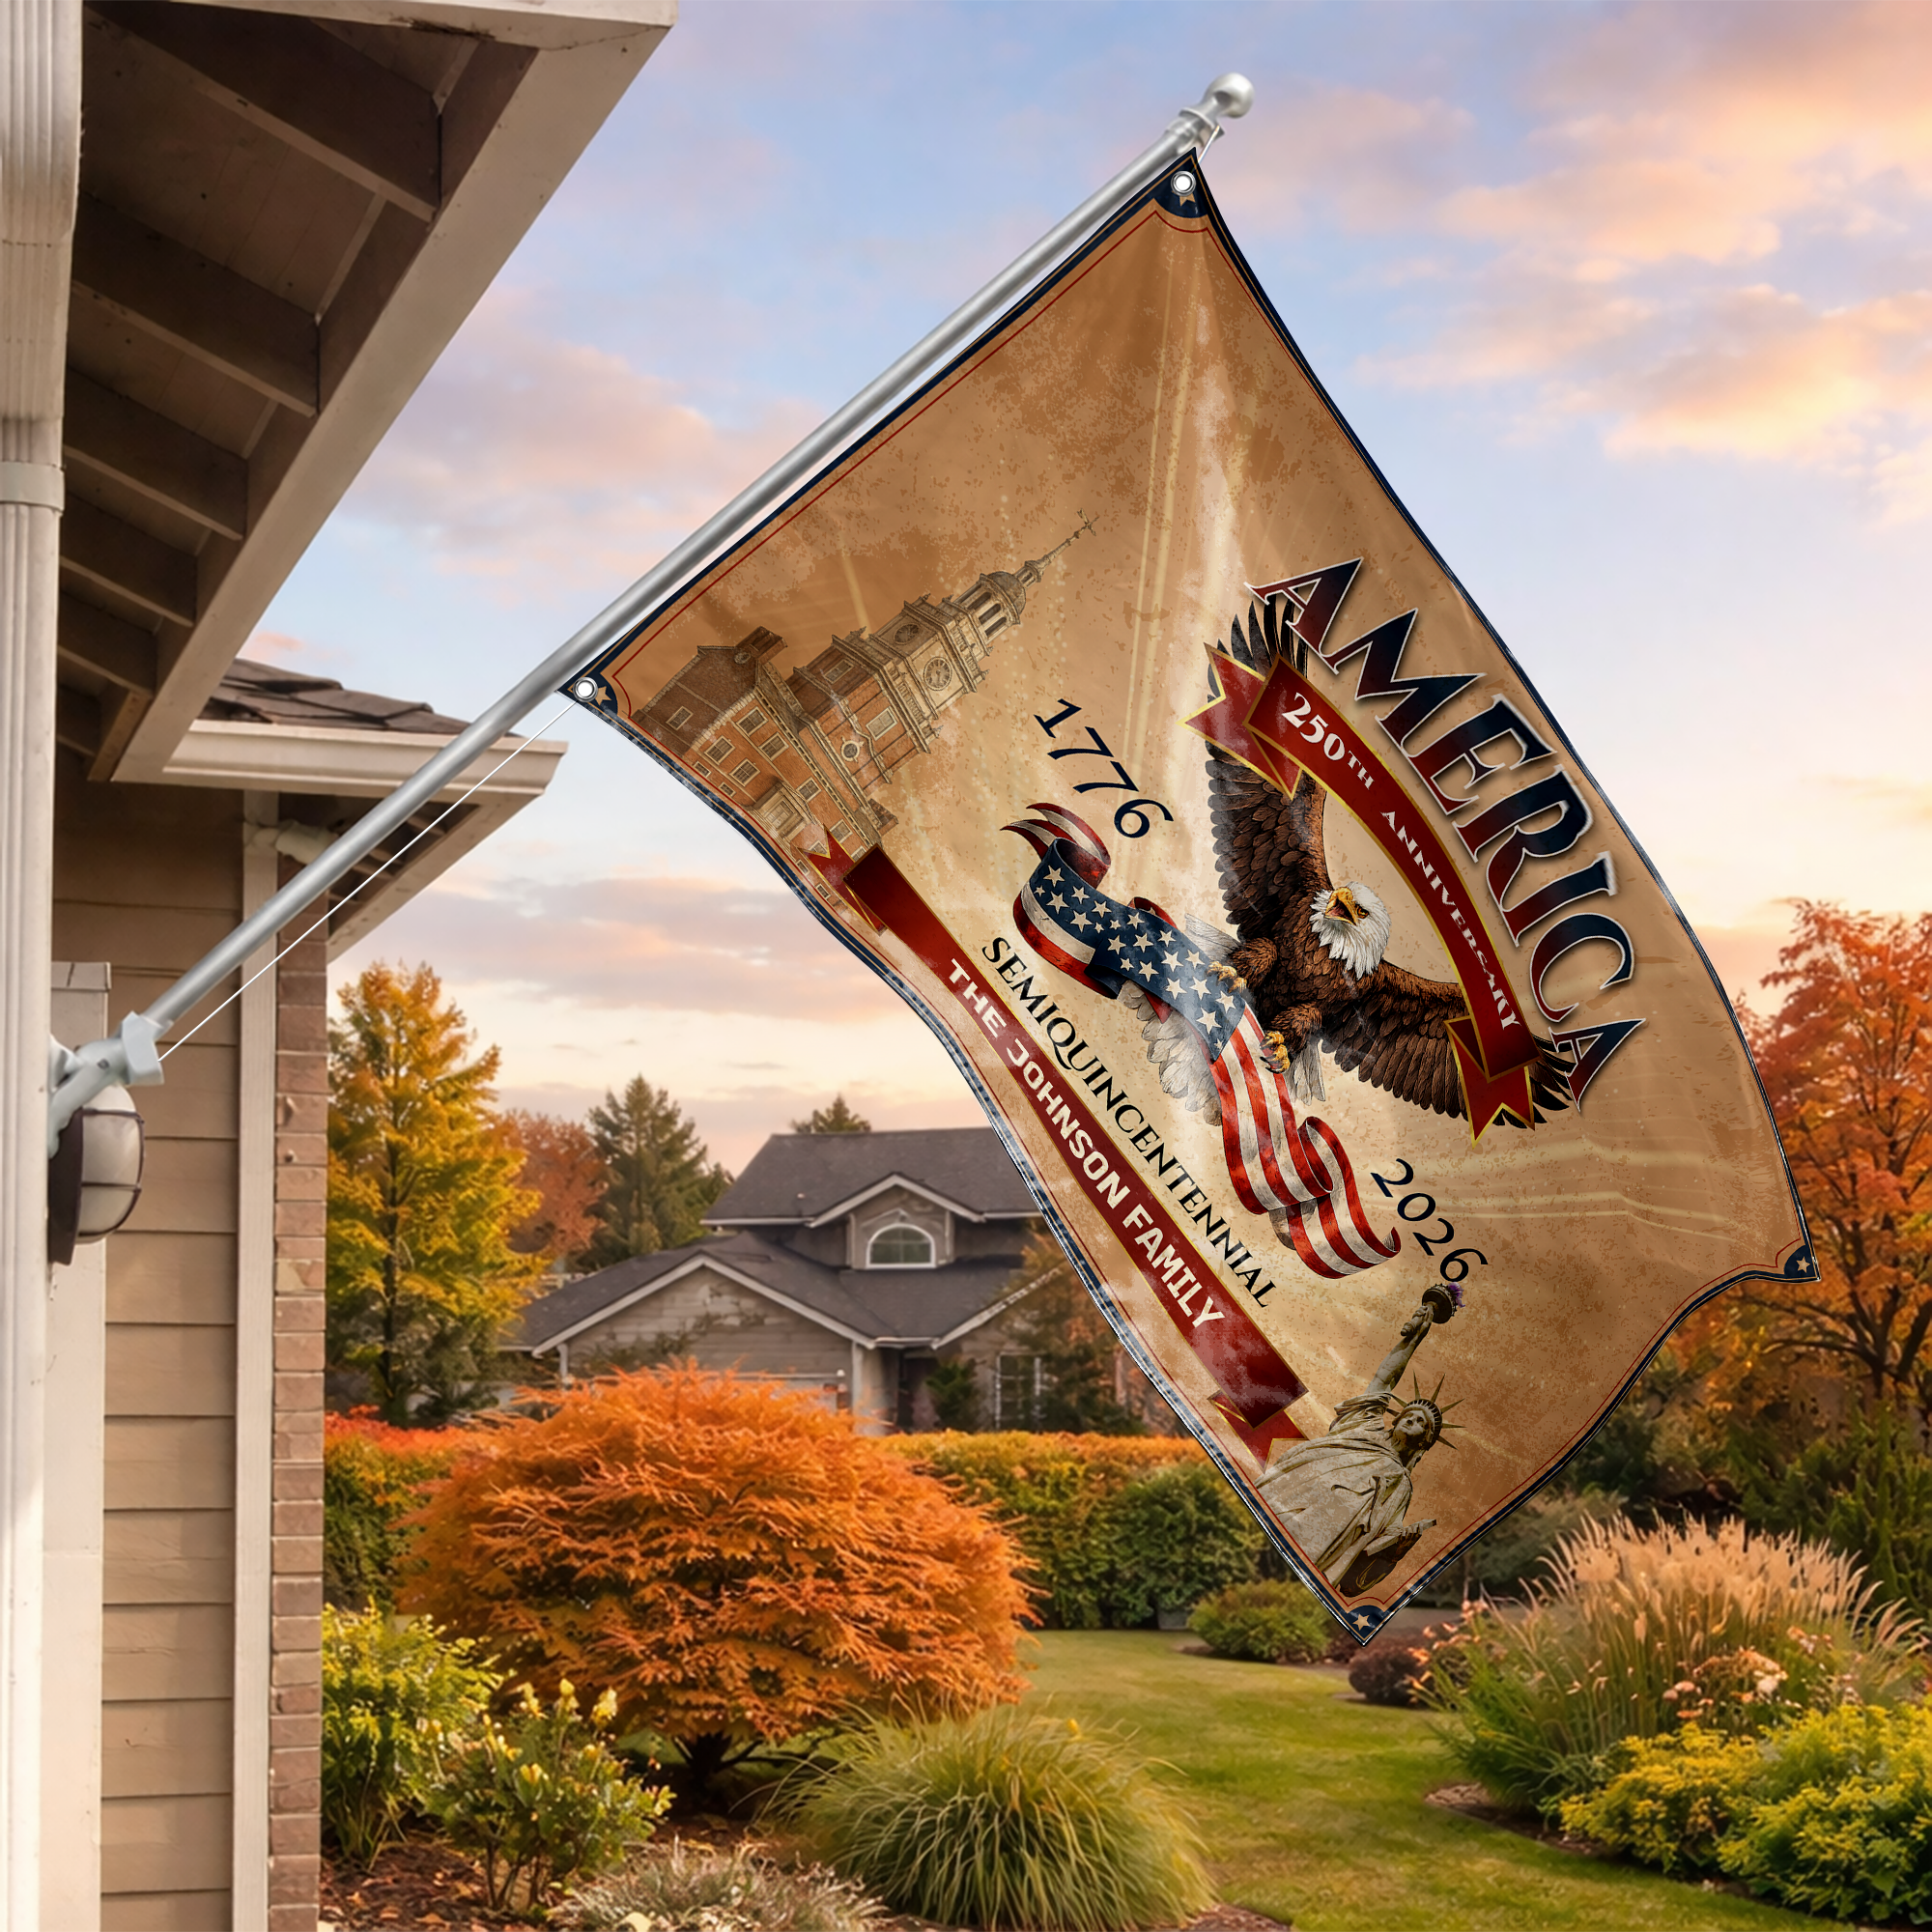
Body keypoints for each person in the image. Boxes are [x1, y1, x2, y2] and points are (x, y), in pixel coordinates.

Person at [1256, 1293, 1454, 1596]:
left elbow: (1376, 1545)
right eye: (1409, 1415)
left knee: (1271, 1581)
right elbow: (1383, 1380)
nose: (1412, 1420)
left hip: (1322, 1538)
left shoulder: (1400, 1486)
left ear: (1425, 1441)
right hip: (1290, 1494)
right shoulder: (1366, 1425)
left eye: (1420, 1423)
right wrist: (1413, 1340)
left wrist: (1397, 1548)